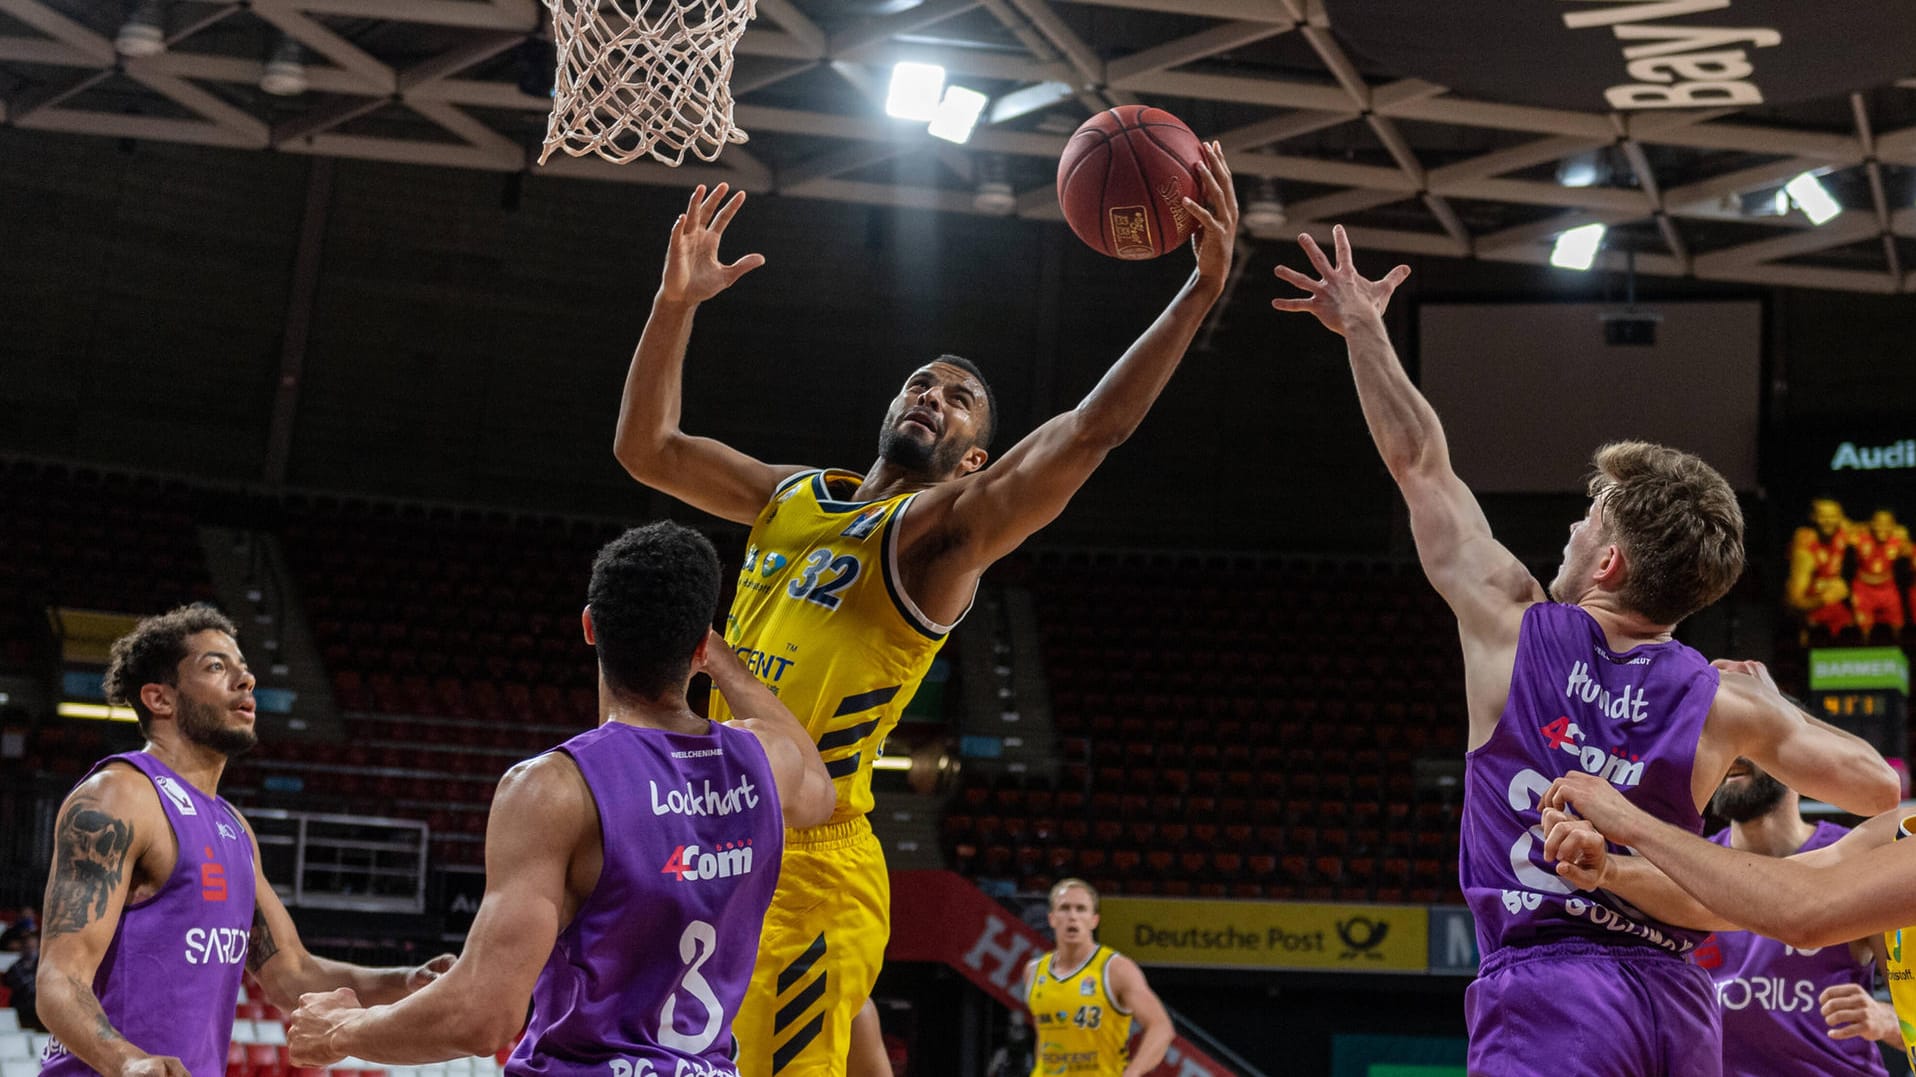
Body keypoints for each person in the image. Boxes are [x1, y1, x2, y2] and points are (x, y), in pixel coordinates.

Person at [612, 147, 1239, 1077]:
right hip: (706, 828)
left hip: (810, 855)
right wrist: (674, 306)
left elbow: (1089, 432)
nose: (931, 397)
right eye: (920, 383)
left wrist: (1197, 292)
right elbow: (648, 447)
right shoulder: (797, 495)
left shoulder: (937, 536)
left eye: (959, 400)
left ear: (975, 459)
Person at [1269, 224, 1899, 1076]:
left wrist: (1366, 331)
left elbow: (1418, 463)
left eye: (1589, 519)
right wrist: (1775, 702)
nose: (1571, 526)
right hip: (1680, 1003)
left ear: (1609, 562)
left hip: (1548, 990)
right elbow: (1873, 785)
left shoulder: (1511, 620)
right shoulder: (1721, 700)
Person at [287, 522, 835, 1075]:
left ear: (590, 627)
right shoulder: (765, 760)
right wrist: (723, 660)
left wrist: (339, 1031)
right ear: (698, 648)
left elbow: (483, 1016)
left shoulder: (555, 788)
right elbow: (822, 785)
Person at [35, 604, 455, 1077]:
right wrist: (127, 1061)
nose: (246, 680)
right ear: (160, 699)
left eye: (244, 668)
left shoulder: (232, 826)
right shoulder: (119, 794)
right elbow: (58, 978)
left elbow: (291, 974)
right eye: (216, 666)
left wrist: (408, 980)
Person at [1692, 755, 1901, 1075]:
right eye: (1724, 742)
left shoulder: (1854, 863)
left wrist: (1887, 1019)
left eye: (1748, 741)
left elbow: (1911, 1015)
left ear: (1796, 757)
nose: (1731, 757)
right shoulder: (1689, 869)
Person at [1020, 879, 1171, 1077]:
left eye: (1081, 909)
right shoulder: (1033, 971)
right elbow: (1045, 1037)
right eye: (1064, 908)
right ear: (1052, 918)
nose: (1072, 916)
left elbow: (1161, 1027)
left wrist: (1132, 1073)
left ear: (1094, 920)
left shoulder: (1116, 969)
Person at [1787, 498, 1857, 636]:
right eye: (1823, 516)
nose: (1828, 521)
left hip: (1836, 610)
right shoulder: (1805, 551)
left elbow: (1871, 528)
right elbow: (1793, 602)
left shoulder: (1843, 533)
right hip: (1812, 613)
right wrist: (1825, 598)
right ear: (1813, 517)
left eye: (1833, 516)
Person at [1850, 509, 1911, 636]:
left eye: (1887, 524)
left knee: (1897, 626)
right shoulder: (1859, 538)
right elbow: (1842, 527)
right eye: (1878, 523)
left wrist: (1906, 537)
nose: (1882, 528)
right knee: (1864, 630)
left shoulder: (1899, 542)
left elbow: (1911, 552)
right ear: (1871, 524)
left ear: (1894, 526)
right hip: (1863, 589)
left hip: (1888, 589)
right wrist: (1859, 527)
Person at [3, 930, 41, 1032]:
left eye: (33, 948)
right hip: (24, 1007)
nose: (31, 951)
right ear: (22, 948)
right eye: (28, 947)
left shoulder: (44, 966)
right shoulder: (15, 968)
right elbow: (15, 988)